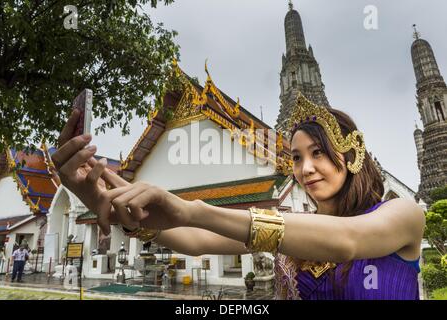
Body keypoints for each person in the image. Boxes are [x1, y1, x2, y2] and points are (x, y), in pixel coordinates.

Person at [52, 93, 425, 300]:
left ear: (350, 154)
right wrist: (100, 195)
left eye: (319, 153)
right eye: (296, 157)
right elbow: (195, 240)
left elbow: (347, 241)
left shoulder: (403, 215)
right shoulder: (293, 233)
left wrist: (192, 209)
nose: (306, 168)